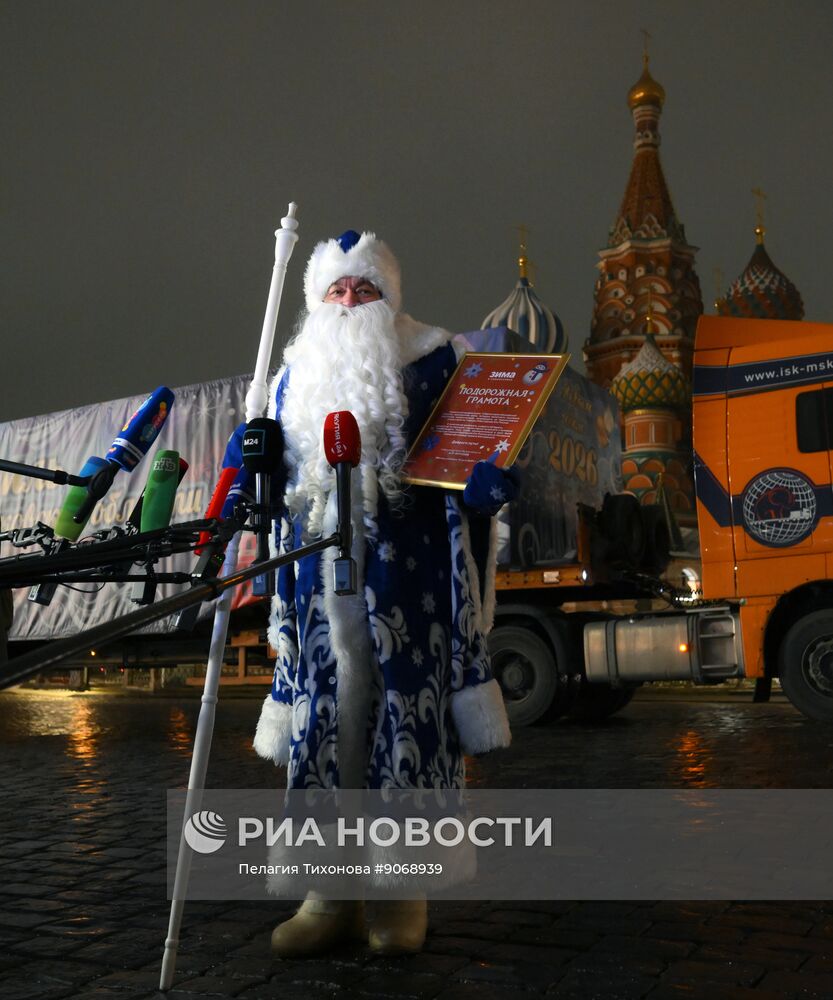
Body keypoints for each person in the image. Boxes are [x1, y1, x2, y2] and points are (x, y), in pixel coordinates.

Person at [252, 229, 513, 956]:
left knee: (407, 723)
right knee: (326, 727)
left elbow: (470, 457)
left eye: (363, 289)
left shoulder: (435, 359)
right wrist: (258, 474)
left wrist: (485, 490)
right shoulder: (288, 375)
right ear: (315, 300)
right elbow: (275, 481)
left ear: (387, 297)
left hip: (409, 578)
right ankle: (325, 892)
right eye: (335, 290)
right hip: (313, 579)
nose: (348, 301)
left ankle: (401, 890)